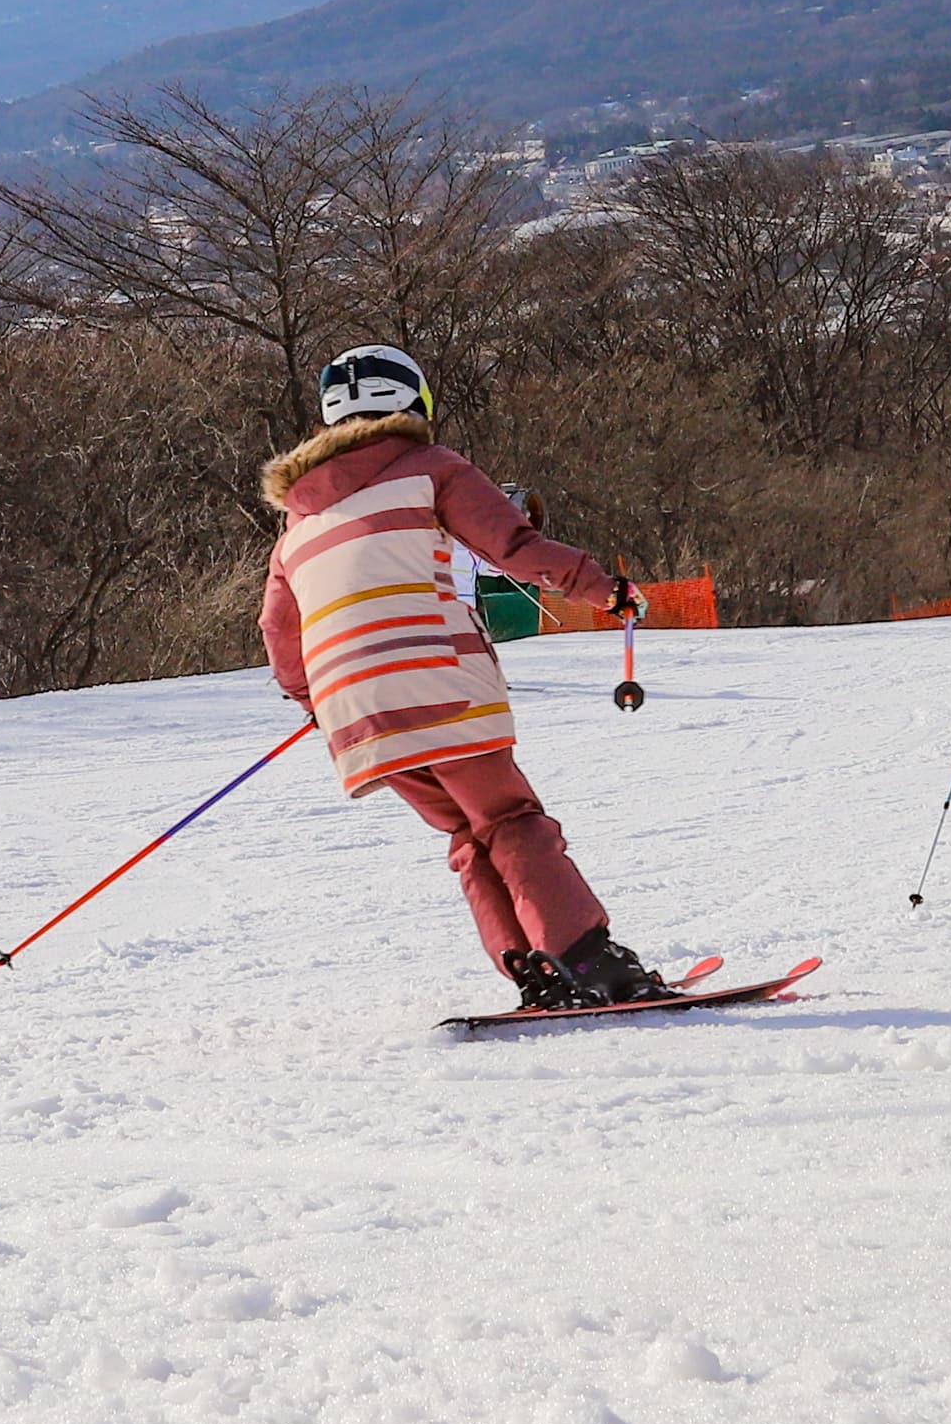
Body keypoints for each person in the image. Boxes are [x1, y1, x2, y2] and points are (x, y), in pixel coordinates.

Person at [257, 342, 672, 1009]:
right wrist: (604, 589)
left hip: (353, 712)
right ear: (414, 403)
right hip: (434, 677)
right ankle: (589, 959)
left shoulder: (297, 524)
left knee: (468, 830)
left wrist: (315, 702)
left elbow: (279, 630)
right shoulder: (430, 468)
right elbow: (514, 546)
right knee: (509, 817)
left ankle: (534, 968)